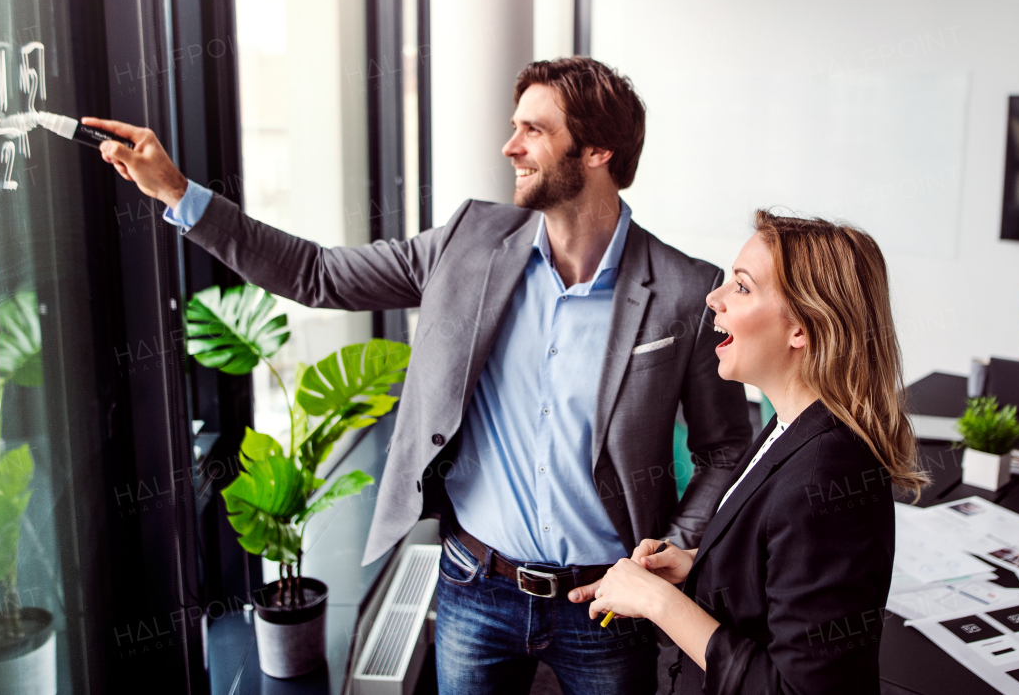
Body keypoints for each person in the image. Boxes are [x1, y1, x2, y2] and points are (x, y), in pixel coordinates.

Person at [84, 56, 753, 695]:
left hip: (608, 602)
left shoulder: (685, 289)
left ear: (599, 151)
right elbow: (317, 275)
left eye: (534, 130)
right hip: (475, 585)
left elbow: (724, 447)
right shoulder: (467, 242)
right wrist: (178, 193)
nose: (510, 147)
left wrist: (677, 544)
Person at [569, 212, 927, 695]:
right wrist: (702, 565)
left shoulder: (827, 473)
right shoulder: (788, 427)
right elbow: (777, 563)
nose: (713, 298)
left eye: (741, 287)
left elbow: (796, 690)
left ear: (801, 327)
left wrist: (661, 604)